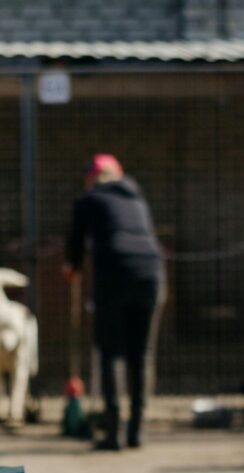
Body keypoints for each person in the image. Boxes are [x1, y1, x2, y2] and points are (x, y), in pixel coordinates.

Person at [64, 154, 163, 450]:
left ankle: (113, 431)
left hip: (115, 272)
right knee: (141, 353)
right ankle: (136, 429)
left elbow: (75, 246)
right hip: (151, 273)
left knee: (111, 352)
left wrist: (71, 267)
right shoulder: (136, 197)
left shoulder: (89, 199)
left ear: (91, 178)